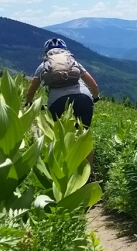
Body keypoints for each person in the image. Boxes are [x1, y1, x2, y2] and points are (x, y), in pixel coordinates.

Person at [25, 37, 100, 168]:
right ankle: (89, 173)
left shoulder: (43, 66)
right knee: (84, 136)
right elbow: (94, 84)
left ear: (46, 52)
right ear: (65, 51)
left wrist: (29, 103)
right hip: (83, 98)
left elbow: (31, 91)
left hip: (57, 101)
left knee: (56, 136)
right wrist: (95, 97)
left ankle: (61, 169)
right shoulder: (73, 62)